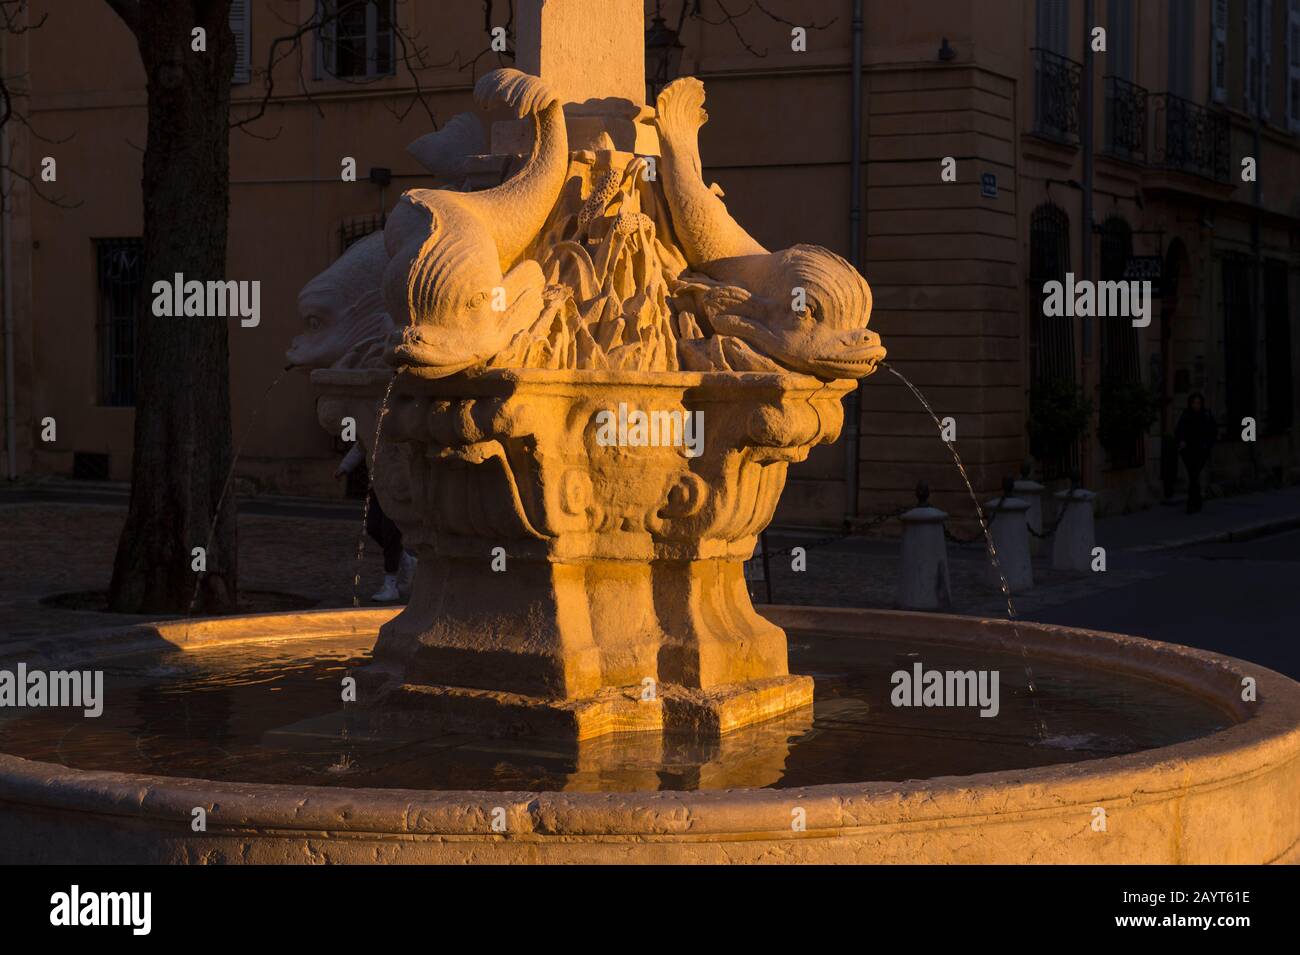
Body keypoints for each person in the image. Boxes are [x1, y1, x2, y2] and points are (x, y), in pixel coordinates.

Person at [336, 443, 417, 602]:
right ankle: (407, 561)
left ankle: (390, 583)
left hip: (398, 483)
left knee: (390, 530)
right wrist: (345, 466)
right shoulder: (374, 422)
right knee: (373, 526)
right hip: (379, 485)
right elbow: (362, 444)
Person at [1174, 393, 1216, 514]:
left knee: (1194, 475)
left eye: (1198, 403)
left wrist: (1207, 445)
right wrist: (1181, 441)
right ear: (1190, 404)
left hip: (1201, 451)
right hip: (1188, 451)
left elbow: (1213, 431)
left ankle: (1192, 503)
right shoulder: (1186, 415)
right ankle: (1196, 501)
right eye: (1194, 403)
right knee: (1193, 476)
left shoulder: (1206, 415)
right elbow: (1179, 430)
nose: (1196, 405)